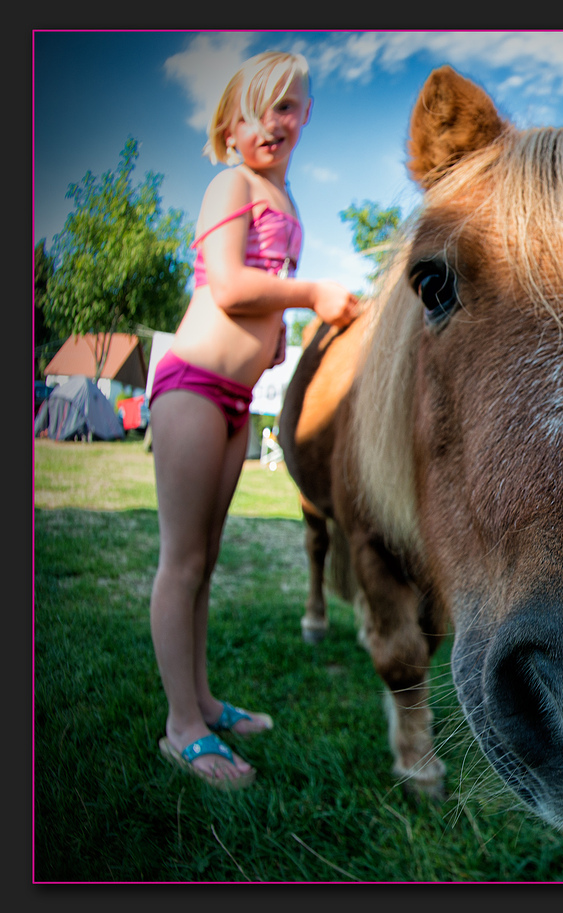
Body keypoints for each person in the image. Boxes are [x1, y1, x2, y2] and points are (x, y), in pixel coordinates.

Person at [149, 50, 359, 789]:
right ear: (231, 127)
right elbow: (234, 285)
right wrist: (310, 296)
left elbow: (263, 303)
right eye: (263, 109)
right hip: (193, 386)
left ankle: (202, 699)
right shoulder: (229, 183)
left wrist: (282, 342)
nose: (280, 121)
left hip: (236, 400)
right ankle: (182, 729)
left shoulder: (289, 201)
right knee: (181, 559)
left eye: (293, 107)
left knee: (205, 557)